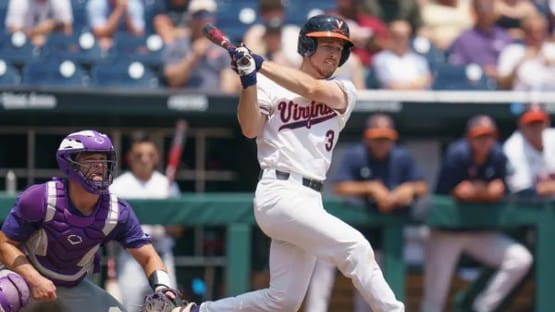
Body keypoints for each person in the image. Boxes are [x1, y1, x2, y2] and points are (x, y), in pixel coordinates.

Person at [182, 14, 405, 312]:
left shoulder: (345, 90)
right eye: (326, 45)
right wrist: (249, 81)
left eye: (338, 49)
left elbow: (311, 89)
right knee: (356, 247)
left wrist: (259, 64)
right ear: (306, 46)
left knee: (283, 300)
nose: (333, 53)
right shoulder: (269, 85)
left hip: (311, 199)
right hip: (279, 192)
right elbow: (250, 128)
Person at [0, 130, 193, 311]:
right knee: (7, 294)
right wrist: (34, 279)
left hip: (73, 284)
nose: (99, 166)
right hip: (24, 278)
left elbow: (149, 256)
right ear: (69, 163)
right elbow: (4, 244)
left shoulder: (117, 211)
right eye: (90, 160)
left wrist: (163, 288)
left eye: (103, 160)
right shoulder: (41, 197)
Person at [304, 113, 428, 312]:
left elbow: (421, 186)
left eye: (385, 139)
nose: (381, 143)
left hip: (374, 236)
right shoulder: (356, 155)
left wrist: (408, 189)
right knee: (322, 275)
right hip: (343, 229)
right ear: (367, 138)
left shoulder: (400, 156)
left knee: (367, 290)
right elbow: (339, 187)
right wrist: (370, 187)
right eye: (377, 138)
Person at [421, 115, 533, 312]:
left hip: (479, 232)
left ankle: (483, 307)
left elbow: (499, 191)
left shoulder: (498, 156)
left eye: (489, 136)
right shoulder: (458, 154)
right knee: (435, 297)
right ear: (469, 137)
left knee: (520, 259)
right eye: (479, 136)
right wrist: (483, 192)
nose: (484, 141)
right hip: (447, 233)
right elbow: (457, 192)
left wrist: (479, 192)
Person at [109, 132, 181, 311]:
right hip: (131, 256)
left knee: (167, 306)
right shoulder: (118, 186)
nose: (144, 160)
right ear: (130, 158)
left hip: (162, 254)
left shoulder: (167, 185)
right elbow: (109, 227)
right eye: (139, 155)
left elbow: (179, 228)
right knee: (131, 307)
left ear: (156, 158)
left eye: (149, 155)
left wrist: (164, 228)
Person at [162, 0, 239, 93]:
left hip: (214, 101)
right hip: (184, 99)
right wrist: (193, 56)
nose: (203, 19)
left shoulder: (223, 45)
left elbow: (229, 86)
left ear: (213, 18)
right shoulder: (178, 44)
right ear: (190, 18)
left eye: (207, 15)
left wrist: (220, 104)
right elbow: (173, 81)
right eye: (198, 15)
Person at [447, 0, 512, 82]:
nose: (487, 11)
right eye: (482, 7)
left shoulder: (504, 36)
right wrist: (482, 70)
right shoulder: (463, 39)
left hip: (504, 87)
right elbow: (457, 67)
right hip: (475, 86)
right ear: (474, 10)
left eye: (490, 6)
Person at [503, 103, 555, 197]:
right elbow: (522, 190)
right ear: (521, 124)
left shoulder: (552, 138)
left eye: (539, 122)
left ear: (547, 122)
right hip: (528, 207)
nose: (536, 127)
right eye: (531, 123)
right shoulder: (512, 148)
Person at [373, 20, 433, 90]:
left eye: (404, 36)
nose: (400, 40)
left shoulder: (418, 59)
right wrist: (414, 85)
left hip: (419, 99)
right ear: (390, 36)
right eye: (396, 36)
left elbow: (427, 80)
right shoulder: (380, 59)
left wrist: (412, 86)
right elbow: (390, 85)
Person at [5, 0, 73, 47]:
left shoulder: (60, 1)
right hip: (23, 46)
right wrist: (39, 30)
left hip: (54, 46)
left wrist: (52, 25)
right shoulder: (18, 1)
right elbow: (12, 29)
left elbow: (68, 28)